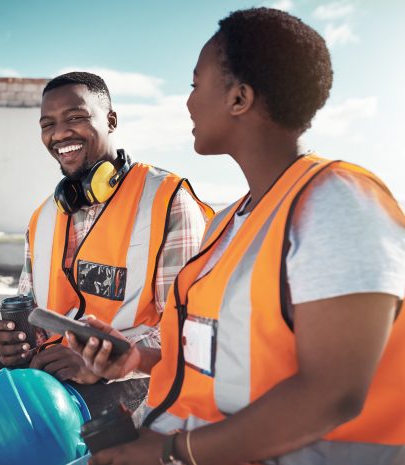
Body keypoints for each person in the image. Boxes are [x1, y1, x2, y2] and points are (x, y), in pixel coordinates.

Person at [68, 8, 405, 465]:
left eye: (195, 84)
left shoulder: (337, 202)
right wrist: (136, 359)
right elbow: (222, 353)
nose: (187, 102)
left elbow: (332, 394)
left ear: (239, 98)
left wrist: (171, 452)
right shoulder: (230, 221)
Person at [0, 71, 212, 465]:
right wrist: (17, 341)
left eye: (75, 118)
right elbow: (32, 302)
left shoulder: (168, 201)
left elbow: (188, 334)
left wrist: (103, 365)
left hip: (132, 378)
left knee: (36, 429)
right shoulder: (45, 215)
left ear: (111, 121)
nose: (59, 133)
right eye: (48, 125)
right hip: (49, 365)